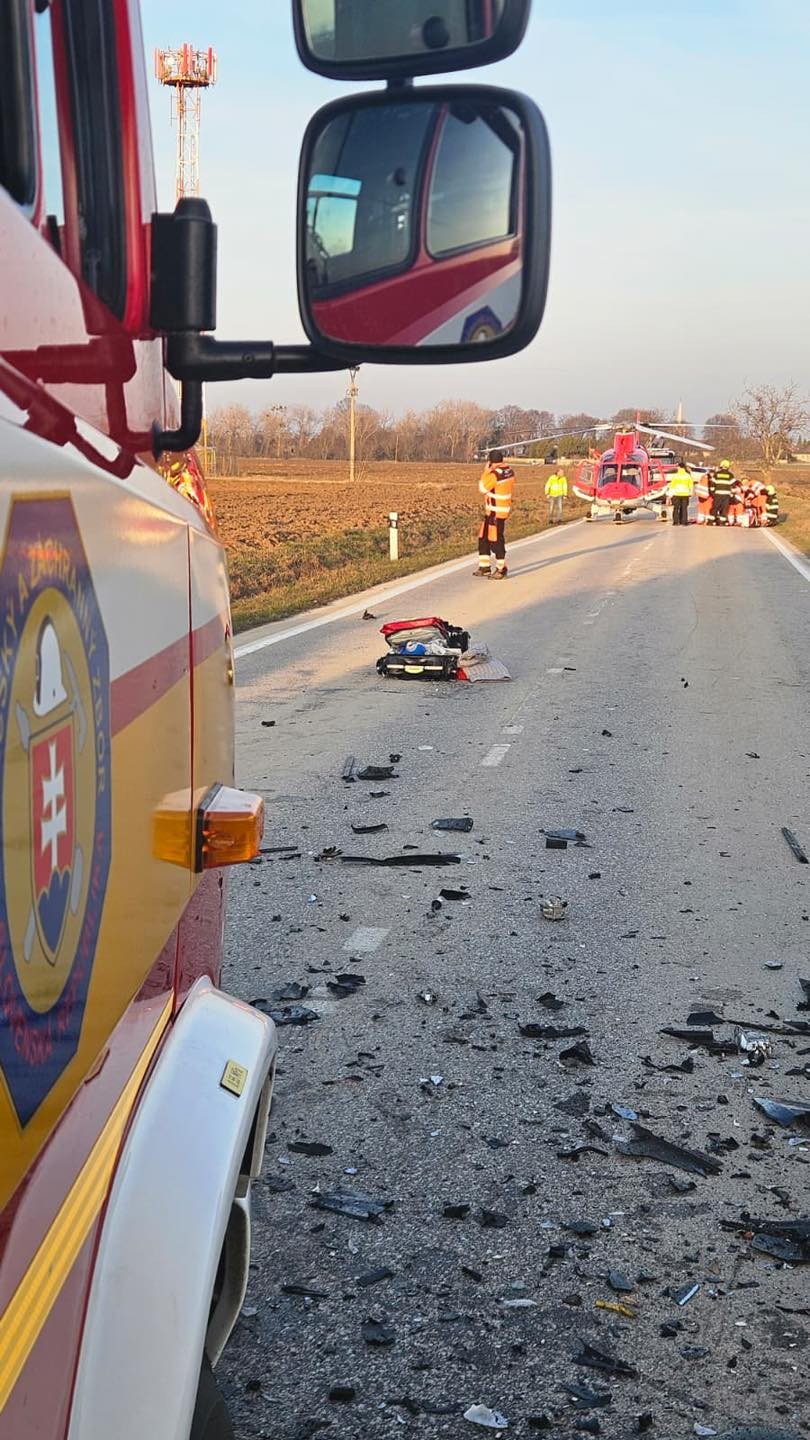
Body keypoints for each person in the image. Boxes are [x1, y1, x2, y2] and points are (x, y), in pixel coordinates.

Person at [476, 449, 514, 578]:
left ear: (491, 462)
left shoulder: (494, 474)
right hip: (495, 511)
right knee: (483, 538)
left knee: (496, 540)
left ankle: (501, 569)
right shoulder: (508, 470)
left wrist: (486, 471)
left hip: (496, 512)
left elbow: (482, 488)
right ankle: (484, 566)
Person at [667, 458, 694, 526]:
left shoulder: (676, 476)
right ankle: (684, 522)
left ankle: (676, 522)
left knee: (676, 508)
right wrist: (691, 493)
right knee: (684, 508)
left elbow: (672, 486)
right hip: (685, 494)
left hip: (676, 494)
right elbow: (691, 485)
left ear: (679, 467)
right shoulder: (688, 476)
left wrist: (669, 495)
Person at [710, 459, 735, 526]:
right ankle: (722, 522)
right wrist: (732, 494)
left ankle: (711, 521)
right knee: (724, 508)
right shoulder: (730, 475)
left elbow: (712, 484)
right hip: (726, 494)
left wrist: (712, 492)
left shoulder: (716, 474)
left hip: (717, 494)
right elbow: (733, 486)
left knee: (715, 507)